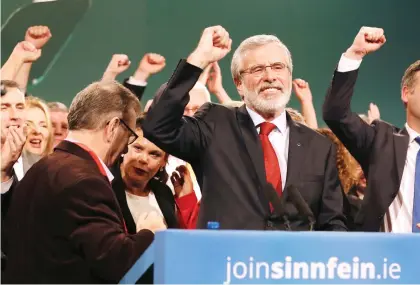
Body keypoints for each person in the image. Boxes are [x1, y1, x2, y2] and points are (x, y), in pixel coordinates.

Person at [143, 26, 347, 231]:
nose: (270, 76)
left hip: (292, 261)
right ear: (239, 84)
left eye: (278, 67)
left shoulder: (320, 147)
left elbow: (333, 223)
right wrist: (199, 58)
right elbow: (158, 125)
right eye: (258, 69)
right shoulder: (214, 123)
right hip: (228, 260)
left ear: (289, 74)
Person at [322, 26, 420, 283]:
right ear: (406, 93)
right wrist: (355, 54)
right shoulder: (380, 140)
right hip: (381, 271)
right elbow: (336, 113)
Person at [3, 80, 163, 283]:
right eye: (129, 135)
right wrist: (150, 233)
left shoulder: (44, 167)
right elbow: (116, 263)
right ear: (113, 127)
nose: (126, 147)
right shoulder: (85, 182)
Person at [112, 113, 199, 232]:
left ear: (164, 161)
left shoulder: (164, 194)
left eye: (154, 154)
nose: (143, 159)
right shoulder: (105, 188)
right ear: (124, 147)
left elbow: (184, 242)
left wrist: (185, 200)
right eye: (138, 148)